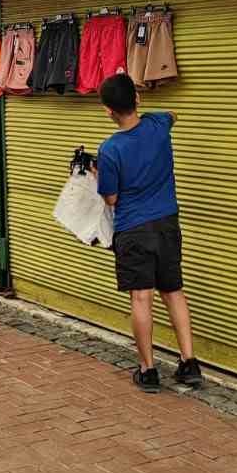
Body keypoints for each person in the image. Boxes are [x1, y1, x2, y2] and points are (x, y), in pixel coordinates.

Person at [94, 74, 202, 394]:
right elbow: (173, 115)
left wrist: (100, 174)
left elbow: (111, 199)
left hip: (133, 229)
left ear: (107, 110)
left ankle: (148, 369)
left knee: (142, 297)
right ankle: (189, 362)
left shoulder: (109, 150)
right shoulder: (158, 126)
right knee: (174, 292)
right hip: (167, 224)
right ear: (137, 99)